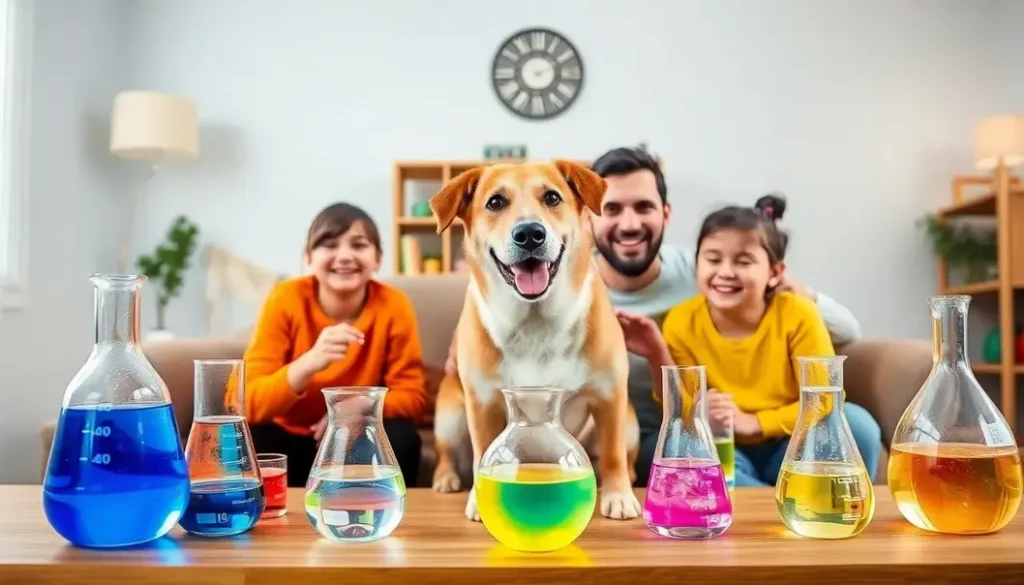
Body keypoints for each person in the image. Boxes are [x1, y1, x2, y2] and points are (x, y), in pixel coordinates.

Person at [446, 145, 864, 485]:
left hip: (709, 419)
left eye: (644, 207)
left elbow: (846, 330)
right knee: (682, 452)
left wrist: (786, 290)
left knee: (856, 423)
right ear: (590, 215)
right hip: (666, 427)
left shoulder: (704, 274)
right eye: (614, 209)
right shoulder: (544, 278)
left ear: (665, 214)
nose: (629, 223)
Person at [618, 194, 881, 486]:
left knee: (858, 424)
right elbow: (683, 412)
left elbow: (824, 399)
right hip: (726, 446)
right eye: (713, 259)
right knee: (680, 443)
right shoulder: (681, 321)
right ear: (697, 264)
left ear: (775, 273)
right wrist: (698, 402)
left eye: (744, 261)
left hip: (792, 440)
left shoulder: (798, 313)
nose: (725, 272)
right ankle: (776, 504)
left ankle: (787, 500)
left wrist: (754, 423)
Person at [243, 203, 426, 487]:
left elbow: (413, 398)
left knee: (403, 436)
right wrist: (309, 362)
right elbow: (250, 402)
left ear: (377, 258)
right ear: (308, 257)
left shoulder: (394, 306)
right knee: (252, 435)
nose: (344, 256)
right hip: (288, 439)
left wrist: (352, 411)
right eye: (329, 245)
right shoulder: (285, 298)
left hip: (358, 440)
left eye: (359, 245)